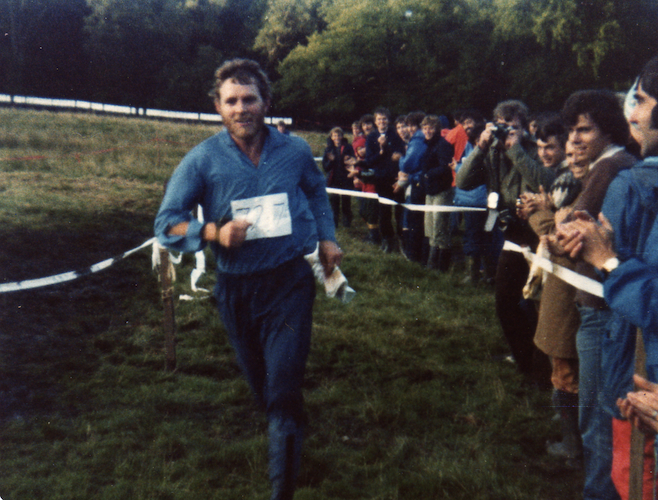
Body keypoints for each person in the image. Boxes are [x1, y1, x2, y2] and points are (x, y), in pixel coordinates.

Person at [154, 58, 342, 500]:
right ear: (219, 108)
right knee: (265, 388)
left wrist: (328, 237)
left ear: (266, 103)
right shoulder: (202, 160)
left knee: (282, 387)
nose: (242, 109)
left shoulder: (294, 150)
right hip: (236, 289)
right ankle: (291, 431)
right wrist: (213, 232)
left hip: (289, 282)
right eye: (232, 101)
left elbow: (315, 190)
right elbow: (167, 222)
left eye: (250, 99)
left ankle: (283, 489)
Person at [556, 56, 658, 500]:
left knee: (614, 452)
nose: (631, 113)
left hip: (633, 359)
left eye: (639, 100)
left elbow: (647, 297)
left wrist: (608, 261)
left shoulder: (630, 182)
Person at [546, 89, 638, 500]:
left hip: (601, 308)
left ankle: (598, 492)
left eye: (586, 129)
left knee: (598, 417)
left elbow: (564, 236)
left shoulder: (611, 166)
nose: (576, 139)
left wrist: (555, 224)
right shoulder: (612, 165)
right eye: (571, 131)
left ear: (610, 128)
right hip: (606, 302)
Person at [456, 99, 555, 385]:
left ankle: (543, 372)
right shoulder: (491, 153)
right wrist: (481, 147)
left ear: (525, 129)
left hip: (539, 238)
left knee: (538, 307)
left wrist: (516, 151)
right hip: (512, 237)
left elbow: (545, 181)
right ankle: (524, 360)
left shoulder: (537, 150)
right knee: (505, 303)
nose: (507, 133)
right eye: (502, 126)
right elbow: (462, 181)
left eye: (513, 128)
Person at [517, 139, 587, 467]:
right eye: (569, 155)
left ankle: (573, 447)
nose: (573, 160)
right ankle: (572, 438)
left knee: (565, 373)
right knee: (564, 370)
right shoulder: (571, 186)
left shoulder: (581, 191)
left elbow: (557, 237)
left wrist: (537, 214)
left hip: (570, 296)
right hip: (565, 293)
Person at [365, 107, 406, 253]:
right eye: (379, 119)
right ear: (375, 122)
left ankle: (402, 241)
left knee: (399, 211)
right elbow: (369, 161)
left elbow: (399, 154)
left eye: (384, 119)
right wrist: (381, 152)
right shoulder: (371, 137)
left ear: (388, 120)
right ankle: (388, 240)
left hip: (395, 178)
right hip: (381, 179)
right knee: (384, 212)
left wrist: (388, 148)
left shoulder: (395, 135)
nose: (382, 122)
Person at [420, 114, 455, 271]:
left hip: (442, 190)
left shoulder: (443, 144)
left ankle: (440, 266)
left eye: (431, 128)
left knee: (439, 226)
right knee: (429, 226)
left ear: (437, 129)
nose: (427, 131)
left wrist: (428, 174)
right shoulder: (427, 145)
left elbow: (445, 166)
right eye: (425, 128)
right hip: (430, 190)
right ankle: (431, 263)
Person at [396, 111, 427, 262]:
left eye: (410, 125)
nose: (409, 129)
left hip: (417, 182)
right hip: (421, 180)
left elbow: (408, 164)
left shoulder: (417, 140)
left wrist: (401, 159)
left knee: (414, 219)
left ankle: (413, 256)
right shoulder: (424, 138)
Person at [349, 115, 380, 244]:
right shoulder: (366, 140)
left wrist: (359, 173)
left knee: (371, 211)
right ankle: (373, 235)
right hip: (366, 181)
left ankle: (376, 238)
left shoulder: (377, 140)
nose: (367, 127)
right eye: (364, 125)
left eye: (369, 124)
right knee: (364, 211)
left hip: (375, 181)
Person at [322, 127, 356, 228]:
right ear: (331, 137)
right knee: (334, 204)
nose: (337, 137)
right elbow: (325, 167)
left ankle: (347, 224)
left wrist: (349, 160)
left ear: (342, 136)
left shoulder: (348, 147)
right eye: (335, 135)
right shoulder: (328, 149)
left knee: (346, 203)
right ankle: (334, 224)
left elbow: (352, 161)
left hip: (346, 179)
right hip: (333, 180)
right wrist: (331, 161)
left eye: (339, 135)